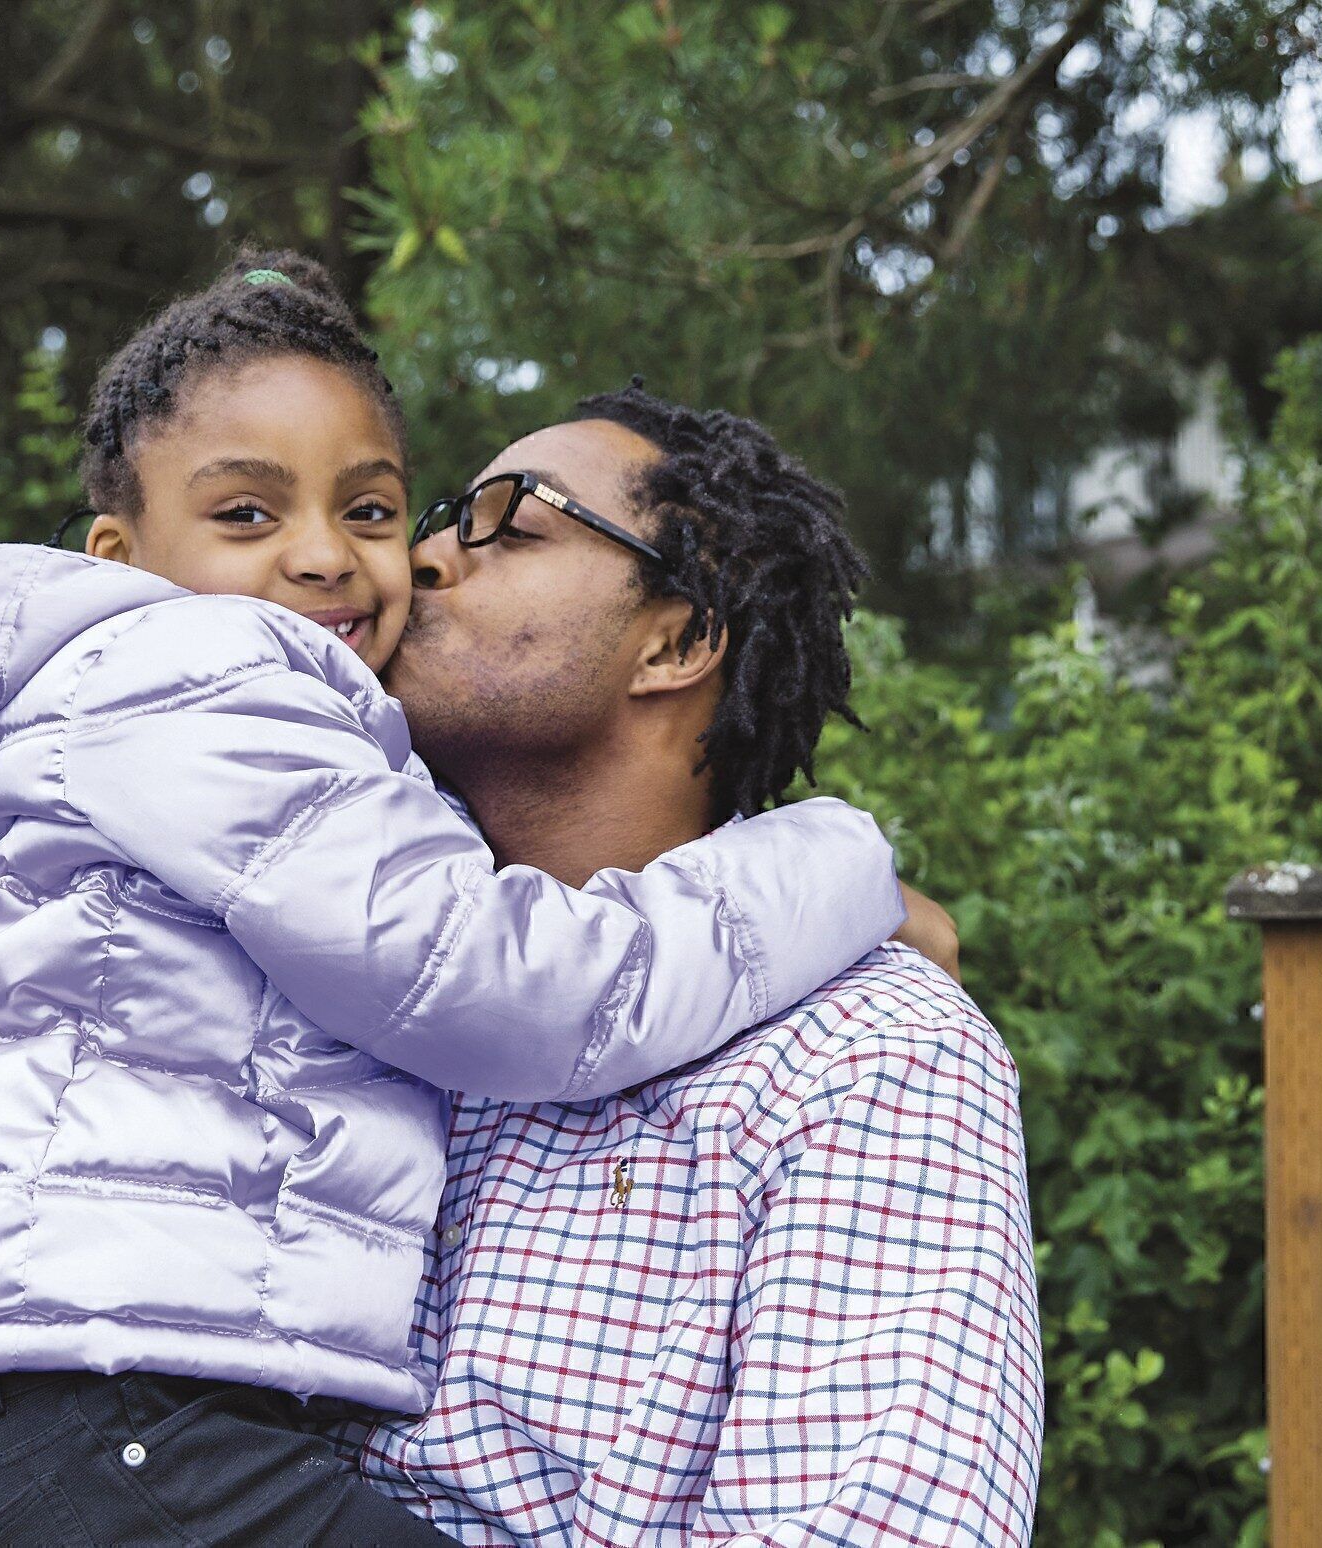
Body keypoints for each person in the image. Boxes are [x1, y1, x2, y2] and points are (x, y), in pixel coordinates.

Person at [0, 251, 939, 1546]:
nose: (331, 559)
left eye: (371, 511)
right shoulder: (196, 685)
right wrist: (834, 865)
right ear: (121, 560)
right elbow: (509, 981)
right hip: (117, 1421)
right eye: (245, 516)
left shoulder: (869, 1057)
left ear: (681, 640)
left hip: (116, 1422)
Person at [346, 384, 1044, 1545]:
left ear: (676, 640)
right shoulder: (341, 984)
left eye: (511, 526)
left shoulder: (867, 1061)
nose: (419, 558)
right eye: (434, 517)